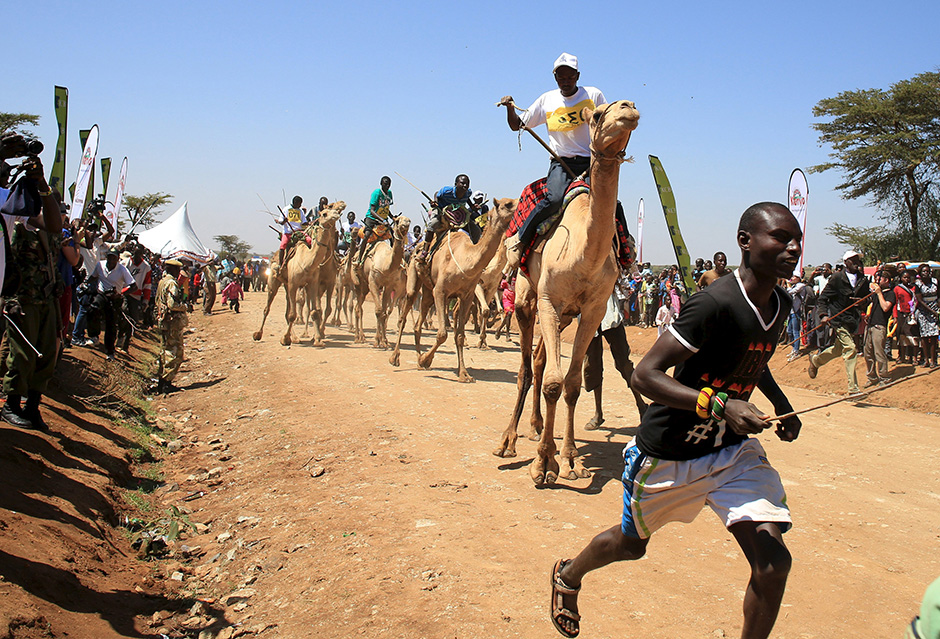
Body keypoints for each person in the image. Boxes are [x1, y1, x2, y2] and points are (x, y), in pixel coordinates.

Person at [550, 202, 802, 639]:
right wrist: (723, 405)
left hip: (729, 452)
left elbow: (753, 362)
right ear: (745, 242)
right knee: (630, 547)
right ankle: (568, 575)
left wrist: (781, 405)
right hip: (667, 454)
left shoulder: (779, 303)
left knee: (773, 562)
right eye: (780, 237)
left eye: (796, 238)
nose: (793, 247)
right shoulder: (712, 303)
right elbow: (645, 374)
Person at [500, 52, 607, 261]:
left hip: (591, 163)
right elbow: (517, 125)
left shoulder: (593, 95)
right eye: (561, 77)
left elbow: (605, 124)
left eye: (570, 76)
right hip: (561, 163)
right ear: (555, 77)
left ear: (578, 75)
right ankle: (520, 240)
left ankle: (624, 254)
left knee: (608, 203)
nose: (565, 81)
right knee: (554, 200)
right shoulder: (547, 99)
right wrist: (510, 108)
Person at [0, 140, 64, 430]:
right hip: (20, 296)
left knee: (47, 353)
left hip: (43, 295)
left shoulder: (27, 218)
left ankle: (33, 407)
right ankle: (11, 404)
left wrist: (41, 184)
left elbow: (54, 224)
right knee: (22, 353)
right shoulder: (9, 208)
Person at [582, 286, 648, 432]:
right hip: (588, 316)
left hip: (609, 315)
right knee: (592, 365)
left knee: (624, 364)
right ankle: (598, 414)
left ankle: (641, 405)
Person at [807, 250, 870, 394]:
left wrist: (862, 302)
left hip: (852, 320)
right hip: (838, 319)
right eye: (853, 261)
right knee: (850, 349)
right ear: (846, 262)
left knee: (837, 350)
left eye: (858, 261)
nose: (856, 263)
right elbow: (823, 299)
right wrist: (823, 315)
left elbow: (867, 299)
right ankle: (853, 388)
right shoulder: (836, 278)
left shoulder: (863, 280)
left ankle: (816, 361)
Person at [419, 174, 482, 260]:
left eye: (467, 184)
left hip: (456, 215)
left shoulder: (468, 192)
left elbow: (466, 198)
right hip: (442, 210)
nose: (465, 186)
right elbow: (437, 193)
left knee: (476, 230)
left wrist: (472, 206)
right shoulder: (446, 191)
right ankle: (425, 250)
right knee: (432, 224)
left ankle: (474, 251)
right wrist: (435, 202)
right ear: (456, 184)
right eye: (462, 183)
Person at [155, 259, 188, 393]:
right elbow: (172, 304)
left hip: (163, 320)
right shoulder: (171, 283)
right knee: (174, 352)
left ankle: (162, 381)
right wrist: (184, 307)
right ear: (173, 270)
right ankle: (166, 382)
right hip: (171, 322)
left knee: (164, 350)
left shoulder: (162, 281)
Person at [863, 269, 896, 386]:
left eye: (879, 278)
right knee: (867, 353)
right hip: (870, 326)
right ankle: (872, 377)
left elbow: (886, 307)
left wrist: (879, 293)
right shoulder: (876, 294)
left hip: (879, 326)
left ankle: (884, 377)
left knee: (879, 353)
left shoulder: (890, 294)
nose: (877, 281)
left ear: (886, 280)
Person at [355, 176, 393, 266]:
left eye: (388, 184)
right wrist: (382, 220)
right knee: (367, 235)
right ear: (381, 183)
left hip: (383, 219)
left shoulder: (389, 193)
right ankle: (359, 258)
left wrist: (392, 217)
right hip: (372, 218)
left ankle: (394, 259)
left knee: (393, 236)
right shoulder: (376, 193)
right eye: (385, 183)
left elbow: (386, 208)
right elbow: (372, 210)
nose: (387, 185)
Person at [914, 263, 939, 368]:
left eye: (928, 271)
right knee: (924, 337)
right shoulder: (918, 284)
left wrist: (937, 309)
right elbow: (920, 300)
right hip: (924, 312)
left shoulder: (935, 282)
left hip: (935, 311)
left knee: (933, 336)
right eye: (924, 271)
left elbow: (939, 296)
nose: (926, 273)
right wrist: (931, 311)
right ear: (920, 273)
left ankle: (934, 360)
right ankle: (926, 360)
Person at [275, 195, 308, 272]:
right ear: (295, 202)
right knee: (283, 246)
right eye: (299, 203)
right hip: (288, 233)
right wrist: (285, 221)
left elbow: (304, 222)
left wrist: (308, 223)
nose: (300, 205)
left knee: (309, 241)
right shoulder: (286, 209)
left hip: (298, 233)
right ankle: (281, 264)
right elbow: (281, 222)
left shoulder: (300, 211)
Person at [894, 269, 918, 364]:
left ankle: (914, 358)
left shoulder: (914, 288)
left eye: (908, 277)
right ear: (901, 278)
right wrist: (895, 316)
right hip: (901, 315)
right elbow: (895, 303)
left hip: (912, 314)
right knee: (902, 336)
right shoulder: (897, 289)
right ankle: (902, 357)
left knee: (913, 336)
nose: (907, 279)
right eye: (905, 277)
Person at [785, 275, 808, 361]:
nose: (792, 278)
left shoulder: (800, 286)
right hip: (790, 312)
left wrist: (788, 285)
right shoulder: (794, 286)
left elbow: (789, 292)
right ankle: (794, 348)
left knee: (795, 332)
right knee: (789, 331)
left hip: (796, 312)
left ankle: (796, 351)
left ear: (798, 278)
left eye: (795, 277)